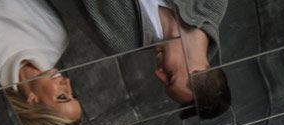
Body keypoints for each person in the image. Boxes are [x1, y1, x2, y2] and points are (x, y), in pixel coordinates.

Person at [79, 0, 230, 117]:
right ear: (196, 70)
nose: (158, 73)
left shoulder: (119, 39)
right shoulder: (213, 4)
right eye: (170, 77)